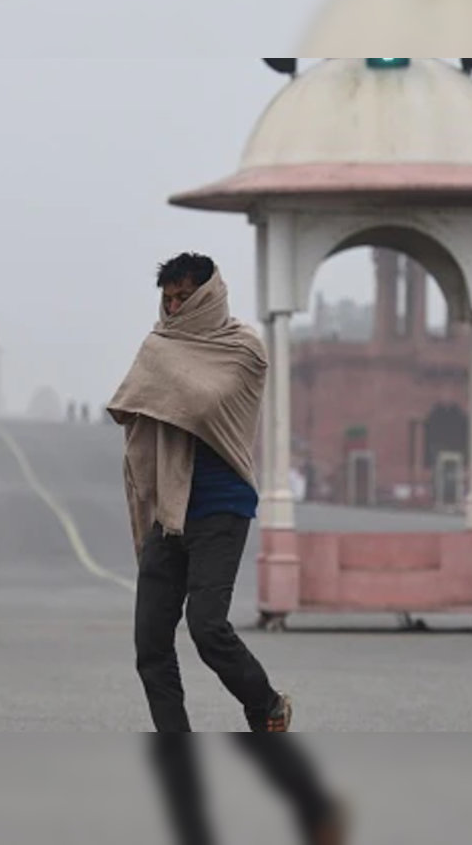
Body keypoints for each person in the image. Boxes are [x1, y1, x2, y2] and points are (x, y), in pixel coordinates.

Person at [109, 253, 346, 844]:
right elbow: (134, 404)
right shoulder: (160, 346)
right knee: (149, 644)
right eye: (166, 298)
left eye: (183, 296)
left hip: (220, 504)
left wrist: (162, 380)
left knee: (208, 624)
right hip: (170, 506)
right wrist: (160, 372)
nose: (173, 308)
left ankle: (265, 704)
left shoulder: (245, 348)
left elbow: (203, 402)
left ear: (209, 294)